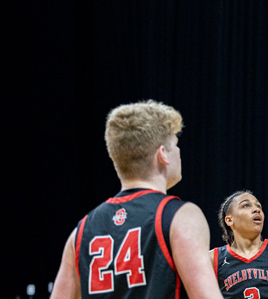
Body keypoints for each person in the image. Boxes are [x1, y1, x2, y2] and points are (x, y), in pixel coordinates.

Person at [51, 100, 222, 299]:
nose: (179, 152)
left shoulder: (80, 232)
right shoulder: (182, 217)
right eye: (175, 145)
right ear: (162, 154)